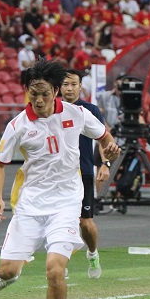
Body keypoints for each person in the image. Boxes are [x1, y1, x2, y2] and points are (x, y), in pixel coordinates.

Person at [0, 59, 121, 299]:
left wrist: (109, 150)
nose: (40, 99)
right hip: (30, 205)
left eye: (45, 93)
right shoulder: (18, 125)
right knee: (7, 271)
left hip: (66, 203)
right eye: (34, 93)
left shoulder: (77, 114)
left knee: (54, 270)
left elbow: (104, 136)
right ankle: (8, 275)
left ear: (56, 91)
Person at [60, 69, 109, 279]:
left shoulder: (89, 110)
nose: (69, 88)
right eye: (65, 84)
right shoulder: (51, 110)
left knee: (85, 223)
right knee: (60, 222)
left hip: (84, 172)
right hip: (60, 175)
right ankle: (60, 264)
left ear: (81, 87)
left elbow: (103, 139)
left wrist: (105, 164)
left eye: (73, 84)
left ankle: (92, 253)